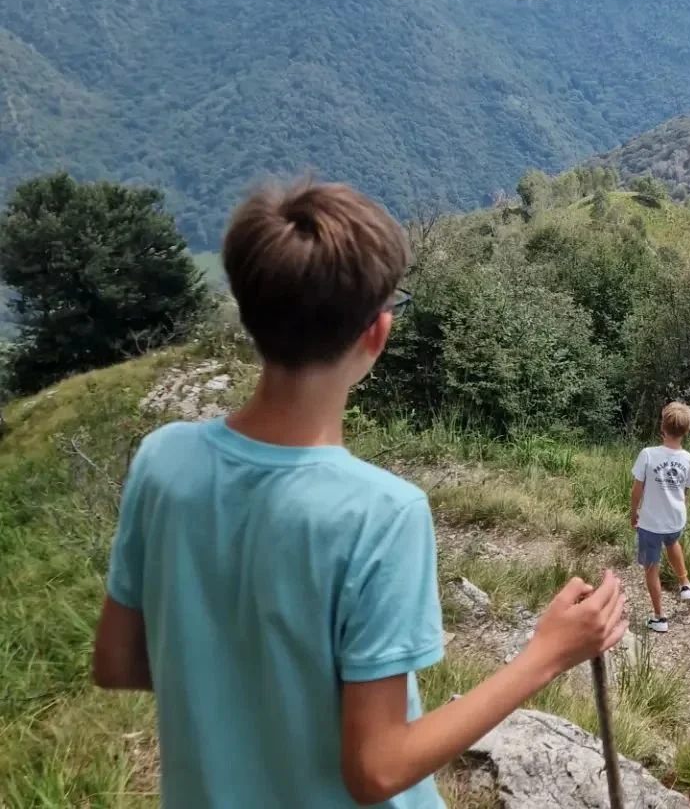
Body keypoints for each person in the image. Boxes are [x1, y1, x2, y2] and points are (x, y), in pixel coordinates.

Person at [90, 181, 628, 808]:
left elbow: (117, 662)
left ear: (247, 311)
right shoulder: (381, 514)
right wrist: (547, 653)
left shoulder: (163, 460)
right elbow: (376, 770)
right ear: (377, 331)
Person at [630, 400, 690, 633]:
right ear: (687, 430)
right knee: (672, 542)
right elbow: (686, 489)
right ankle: (684, 583)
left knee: (652, 566)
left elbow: (637, 490)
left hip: (650, 522)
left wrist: (634, 513)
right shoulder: (689, 459)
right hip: (675, 518)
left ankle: (659, 618)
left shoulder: (648, 454)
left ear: (662, 426)